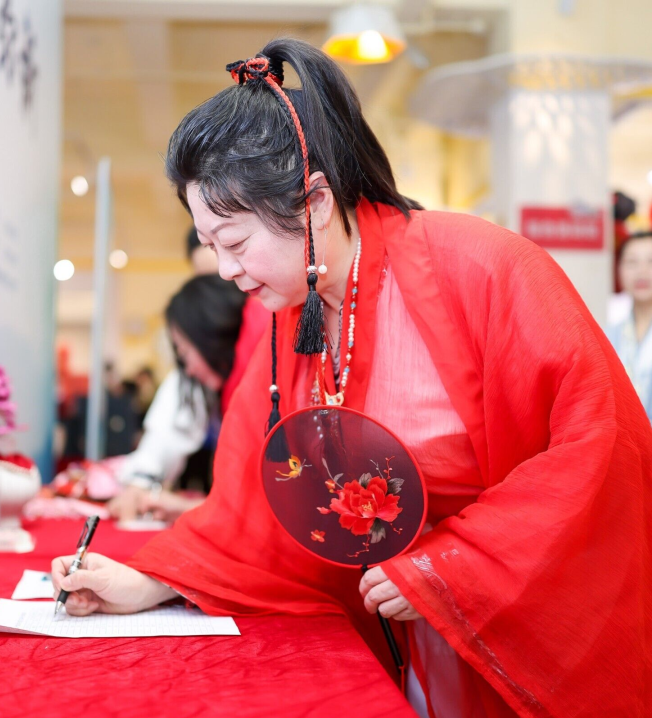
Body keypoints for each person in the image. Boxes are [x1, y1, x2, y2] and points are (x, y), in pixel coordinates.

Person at [51, 38, 652, 718]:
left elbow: (599, 441)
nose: (225, 269)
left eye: (236, 242)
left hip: (505, 617)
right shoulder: (290, 315)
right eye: (212, 246)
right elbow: (253, 507)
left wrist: (454, 564)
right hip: (398, 628)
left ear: (313, 202)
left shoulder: (482, 270)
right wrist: (151, 581)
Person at [105, 273, 267, 521]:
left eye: (185, 353)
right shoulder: (237, 363)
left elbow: (259, 508)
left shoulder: (267, 356)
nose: (189, 370)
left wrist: (188, 507)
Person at [607, 232, 652, 420]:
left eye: (650, 261)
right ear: (619, 269)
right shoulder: (609, 334)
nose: (642, 271)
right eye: (632, 262)